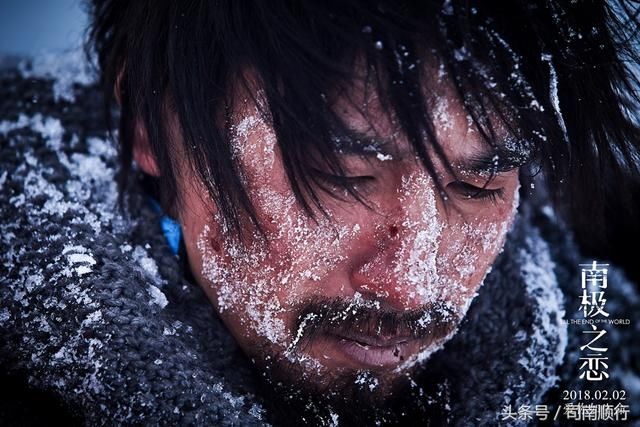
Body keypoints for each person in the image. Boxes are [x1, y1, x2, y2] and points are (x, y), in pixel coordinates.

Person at [1, 0, 639, 425]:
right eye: (341, 177)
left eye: (477, 185)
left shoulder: (607, 334)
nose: (413, 286)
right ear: (150, 127)